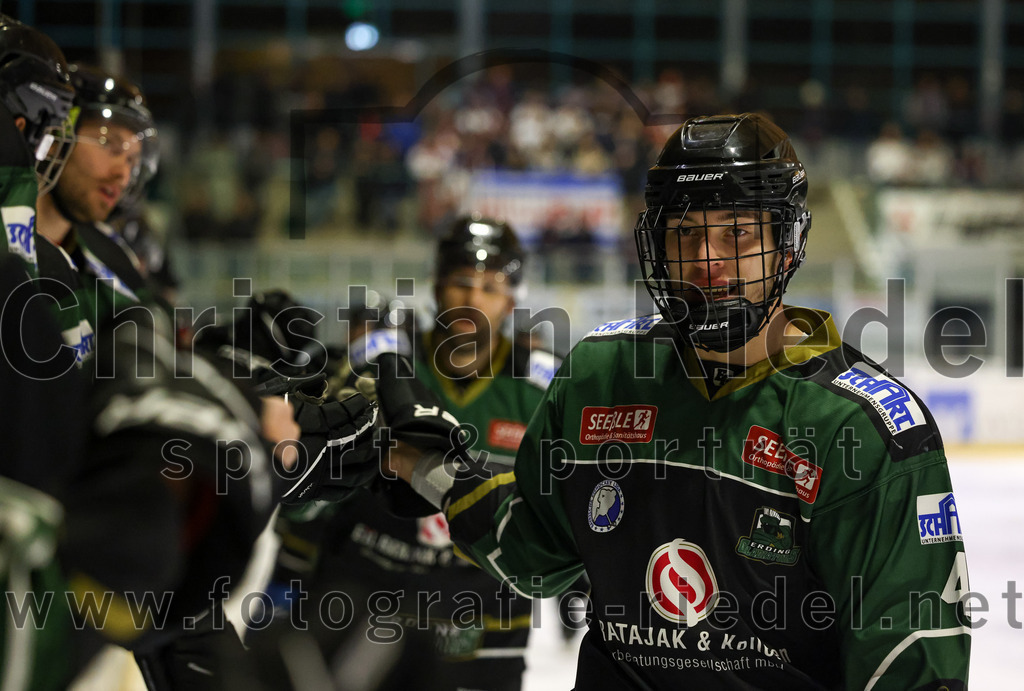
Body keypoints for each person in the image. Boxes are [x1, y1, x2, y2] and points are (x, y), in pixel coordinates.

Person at [386, 113, 971, 689]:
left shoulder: (864, 426)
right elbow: (532, 549)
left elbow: (909, 660)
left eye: (737, 232)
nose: (708, 260)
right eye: (686, 232)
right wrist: (420, 463)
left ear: (785, 243)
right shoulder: (600, 373)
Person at [256, 216, 559, 691]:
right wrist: (285, 575)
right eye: (461, 282)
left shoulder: (546, 388)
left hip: (483, 622)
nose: (473, 299)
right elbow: (308, 486)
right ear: (438, 286)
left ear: (512, 298)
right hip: (360, 601)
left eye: (490, 286)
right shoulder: (375, 364)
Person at [32, 62, 162, 366]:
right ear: (55, 135)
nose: (123, 173)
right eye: (109, 145)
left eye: (132, 161)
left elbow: (170, 351)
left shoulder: (113, 258)